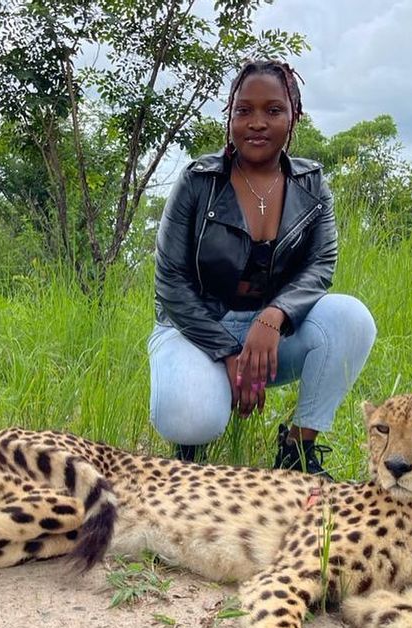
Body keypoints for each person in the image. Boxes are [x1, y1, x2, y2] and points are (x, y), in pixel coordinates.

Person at [148, 60, 376, 476]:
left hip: (267, 337)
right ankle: (190, 451)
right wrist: (227, 351)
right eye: (243, 110)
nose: (256, 122)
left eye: (272, 110)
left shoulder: (312, 184)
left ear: (294, 117)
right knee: (190, 417)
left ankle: (298, 450)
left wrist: (273, 318)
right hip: (193, 328)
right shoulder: (198, 181)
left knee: (351, 318)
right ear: (230, 114)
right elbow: (170, 283)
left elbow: (320, 265)